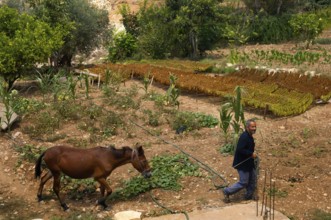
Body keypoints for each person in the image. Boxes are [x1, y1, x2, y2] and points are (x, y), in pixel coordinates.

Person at [222, 119, 258, 203]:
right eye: (252, 127)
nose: (254, 128)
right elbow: (240, 149)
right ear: (247, 127)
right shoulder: (244, 137)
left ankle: (248, 196)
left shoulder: (249, 136)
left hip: (249, 163)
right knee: (244, 182)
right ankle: (227, 191)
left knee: (253, 179)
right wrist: (251, 154)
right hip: (242, 164)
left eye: (255, 126)